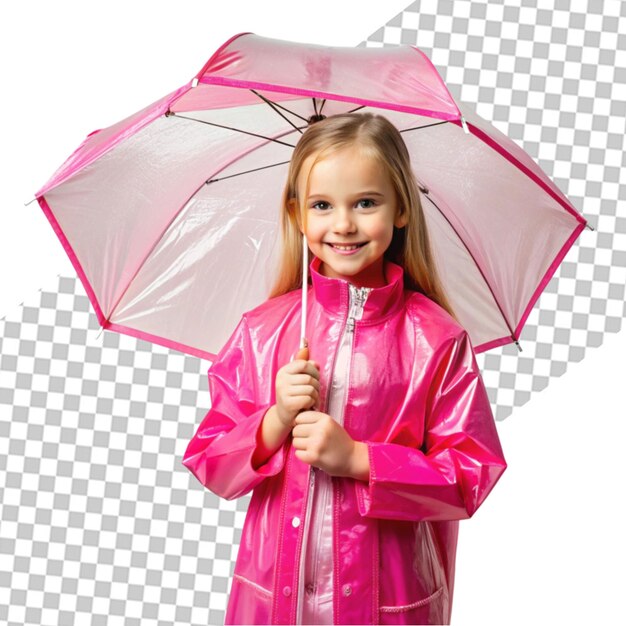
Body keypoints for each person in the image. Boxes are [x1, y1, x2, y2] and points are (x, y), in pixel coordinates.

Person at [182, 112, 507, 625]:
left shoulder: (435, 339)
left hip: (386, 605)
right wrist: (274, 419)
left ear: (401, 209)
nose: (344, 224)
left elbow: (470, 474)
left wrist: (359, 459)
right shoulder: (263, 331)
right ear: (296, 213)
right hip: (274, 600)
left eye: (366, 202)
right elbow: (211, 462)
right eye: (322, 205)